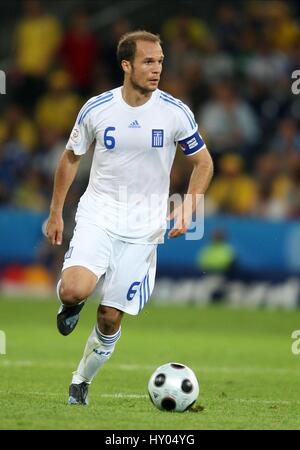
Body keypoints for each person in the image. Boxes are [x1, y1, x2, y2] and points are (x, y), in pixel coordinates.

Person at [46, 30, 214, 405]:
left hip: (144, 228)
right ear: (127, 65)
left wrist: (189, 205)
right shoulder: (98, 108)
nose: (157, 70)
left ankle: (80, 382)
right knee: (75, 289)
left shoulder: (175, 112)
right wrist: (56, 211)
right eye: (148, 62)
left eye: (160, 62)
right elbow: (71, 157)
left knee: (109, 318)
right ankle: (70, 304)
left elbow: (203, 162)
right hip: (99, 213)